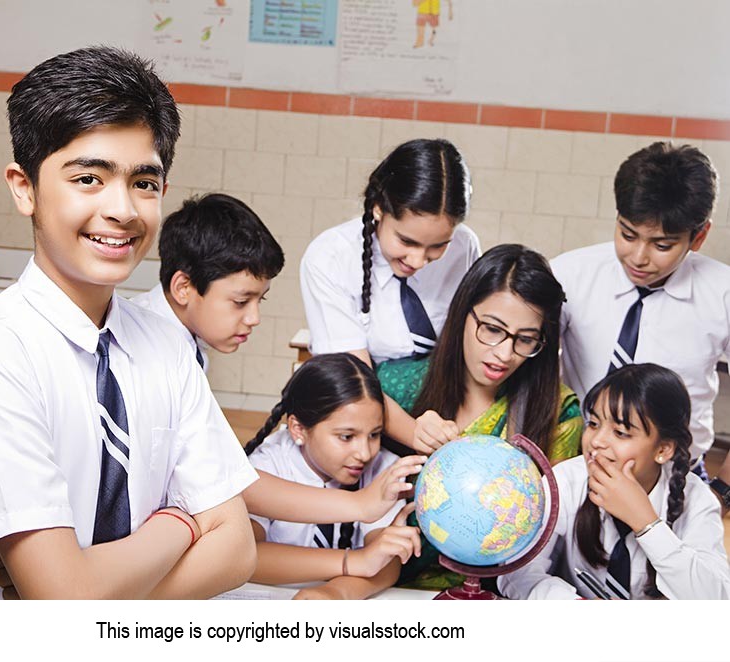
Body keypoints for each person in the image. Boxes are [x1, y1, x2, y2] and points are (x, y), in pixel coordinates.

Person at [0, 46, 257, 599]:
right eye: (88, 179)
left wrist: (90, 592)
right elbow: (63, 598)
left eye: (144, 183)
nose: (123, 209)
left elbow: (238, 549)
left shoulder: (166, 347)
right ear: (24, 187)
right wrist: (181, 523)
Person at [396, 244, 583, 589]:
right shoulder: (406, 384)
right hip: (390, 588)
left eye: (526, 339)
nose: (504, 354)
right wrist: (410, 430)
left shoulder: (560, 415)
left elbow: (543, 542)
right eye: (493, 329)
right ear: (463, 312)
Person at [551, 142, 730, 473]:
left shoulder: (722, 295)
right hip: (578, 465)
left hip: (676, 477)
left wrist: (722, 491)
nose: (638, 258)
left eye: (662, 245)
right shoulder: (569, 275)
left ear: (699, 237)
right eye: (627, 234)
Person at [300, 138, 480, 452]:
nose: (418, 260)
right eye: (406, 241)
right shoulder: (330, 257)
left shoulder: (464, 246)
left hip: (445, 415)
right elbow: (354, 378)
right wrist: (420, 436)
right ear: (378, 208)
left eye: (437, 246)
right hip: (363, 418)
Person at [499, 364, 730, 599]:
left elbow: (716, 598)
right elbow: (516, 574)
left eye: (620, 432)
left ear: (663, 449)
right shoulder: (567, 480)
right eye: (594, 424)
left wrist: (646, 523)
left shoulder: (695, 498)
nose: (597, 441)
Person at [244, 353, 422, 600]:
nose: (364, 453)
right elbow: (245, 555)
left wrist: (335, 593)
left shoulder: (384, 467)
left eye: (374, 434)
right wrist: (354, 562)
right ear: (298, 429)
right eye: (346, 437)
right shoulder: (268, 463)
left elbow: (387, 561)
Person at [132, 193, 284, 371]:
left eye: (260, 300)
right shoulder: (143, 357)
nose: (254, 319)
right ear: (183, 288)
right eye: (241, 302)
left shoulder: (190, 341)